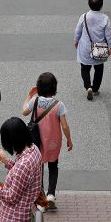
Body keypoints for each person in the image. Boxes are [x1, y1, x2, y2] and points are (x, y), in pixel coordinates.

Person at [22, 72, 72, 211]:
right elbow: (65, 126)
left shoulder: (35, 101)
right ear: (54, 87)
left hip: (37, 141)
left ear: (39, 87)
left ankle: (42, 199)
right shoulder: (58, 104)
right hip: (53, 142)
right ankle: (51, 194)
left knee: (39, 169)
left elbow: (24, 112)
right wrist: (69, 140)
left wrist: (29, 96)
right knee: (53, 165)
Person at [74, 0, 111, 99]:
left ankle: (88, 87)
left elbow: (78, 30)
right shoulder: (105, 18)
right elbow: (109, 35)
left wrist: (76, 40)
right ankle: (95, 88)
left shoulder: (84, 16)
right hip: (99, 49)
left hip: (85, 48)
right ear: (101, 5)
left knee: (85, 68)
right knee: (99, 68)